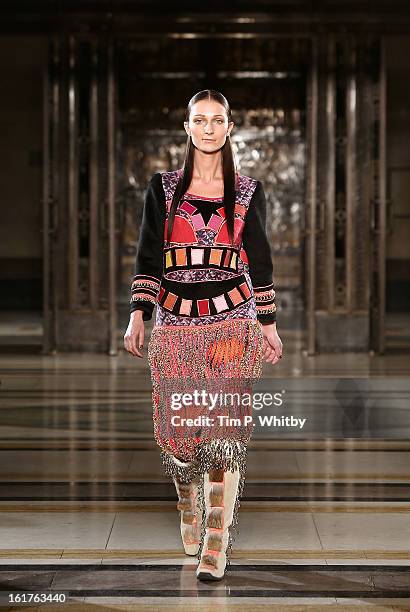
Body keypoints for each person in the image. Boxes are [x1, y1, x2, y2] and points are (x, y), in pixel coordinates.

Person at [124, 89, 283, 581]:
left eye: (217, 120)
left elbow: (259, 256)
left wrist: (268, 324)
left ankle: (217, 541)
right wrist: (137, 314)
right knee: (181, 437)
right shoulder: (163, 188)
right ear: (187, 127)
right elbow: (149, 253)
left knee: (223, 433)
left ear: (230, 127)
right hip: (174, 325)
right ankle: (187, 505)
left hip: (231, 320)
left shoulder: (248, 191)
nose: (209, 128)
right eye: (200, 119)